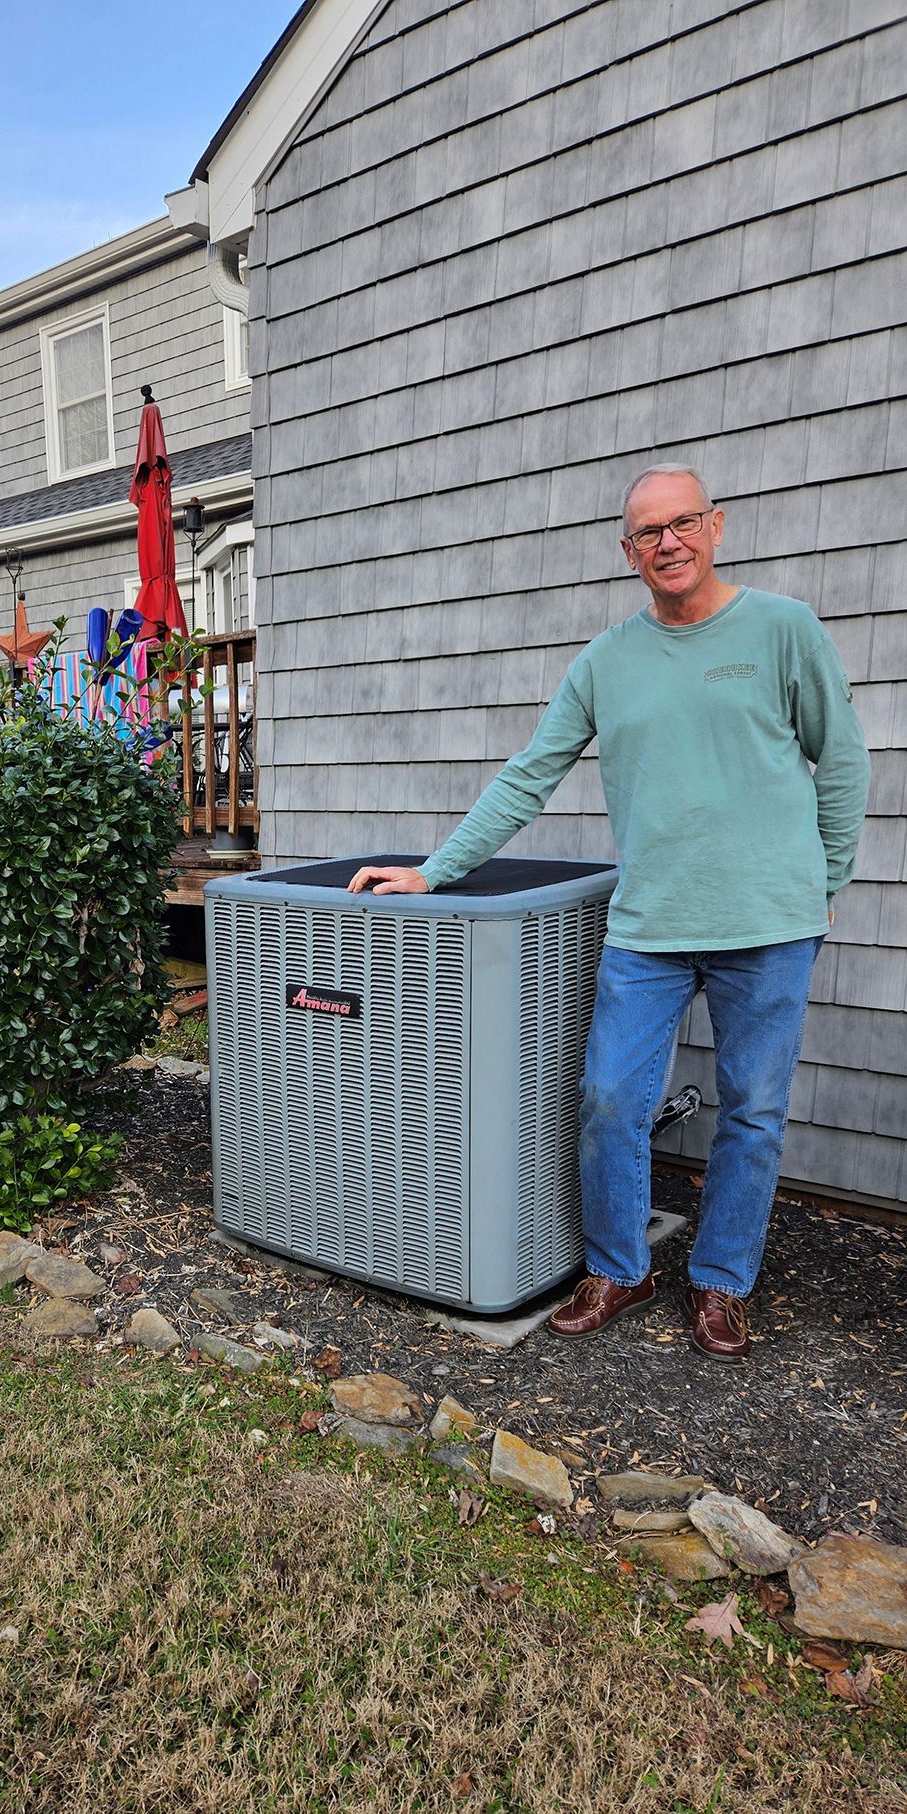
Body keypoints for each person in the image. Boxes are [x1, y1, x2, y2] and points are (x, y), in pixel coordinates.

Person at [348, 466, 870, 1361]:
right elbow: (531, 771)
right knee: (608, 1101)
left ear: (717, 526)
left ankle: (722, 1285)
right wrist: (437, 871)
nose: (669, 543)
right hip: (650, 930)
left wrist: (821, 884)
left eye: (684, 524)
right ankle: (622, 1266)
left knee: (753, 1113)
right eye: (647, 533)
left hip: (771, 927)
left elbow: (845, 762)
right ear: (627, 552)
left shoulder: (784, 630)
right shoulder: (607, 660)